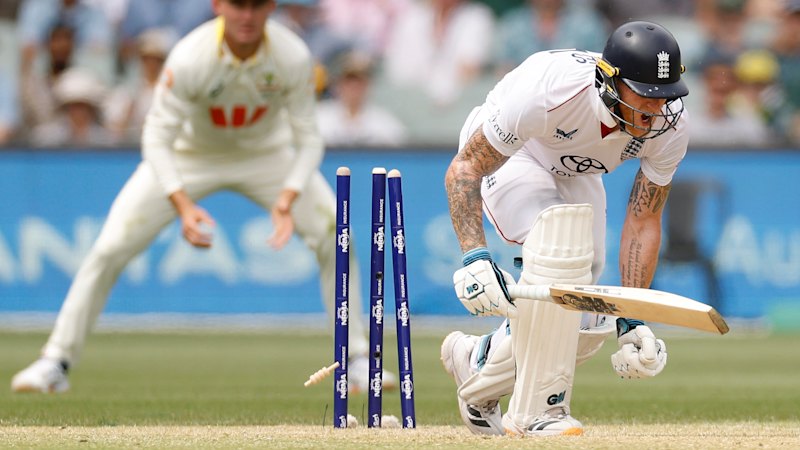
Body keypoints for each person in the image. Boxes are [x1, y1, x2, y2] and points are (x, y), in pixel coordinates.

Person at [11, 0, 394, 394]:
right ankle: (55, 361)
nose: (247, 16)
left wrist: (286, 199)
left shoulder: (291, 55)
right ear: (217, 5)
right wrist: (182, 204)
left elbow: (309, 138)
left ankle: (356, 359)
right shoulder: (191, 56)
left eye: (257, 5)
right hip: (189, 155)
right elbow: (156, 137)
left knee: (335, 234)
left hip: (267, 156)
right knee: (110, 247)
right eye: (238, 4)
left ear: (271, 6)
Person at [440, 20, 683, 437]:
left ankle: (478, 360)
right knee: (560, 248)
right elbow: (465, 168)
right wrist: (474, 257)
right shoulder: (547, 92)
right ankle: (538, 413)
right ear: (609, 82)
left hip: (574, 169)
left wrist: (632, 315)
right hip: (517, 154)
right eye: (645, 96)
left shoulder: (670, 125)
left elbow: (644, 220)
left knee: (589, 313)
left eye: (665, 96)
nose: (656, 110)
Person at [316, 50, 408, 147]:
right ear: (338, 84)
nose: (354, 87)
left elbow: (404, 148)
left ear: (369, 85)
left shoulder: (384, 123)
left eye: (359, 82)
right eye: (348, 81)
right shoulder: (319, 117)